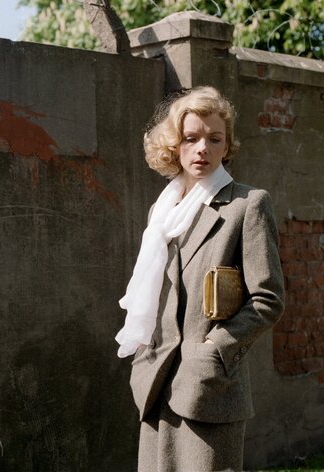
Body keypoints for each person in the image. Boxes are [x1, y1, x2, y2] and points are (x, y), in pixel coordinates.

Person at [115, 86, 285, 471]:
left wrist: (213, 351)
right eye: (191, 138)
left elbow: (268, 299)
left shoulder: (247, 205)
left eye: (214, 139)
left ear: (227, 146)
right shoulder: (162, 212)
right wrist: (145, 354)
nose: (202, 149)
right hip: (156, 381)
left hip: (209, 388)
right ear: (174, 145)